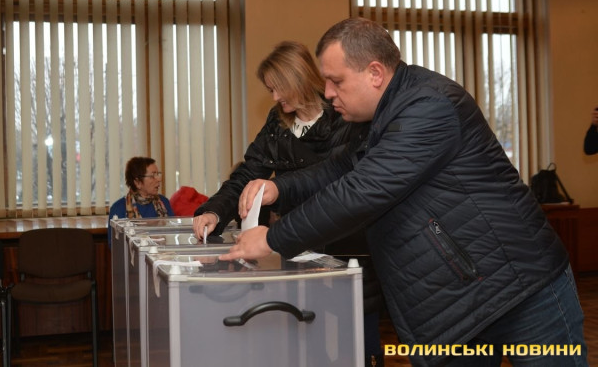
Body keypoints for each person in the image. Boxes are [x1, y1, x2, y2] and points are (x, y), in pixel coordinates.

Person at [222, 18, 588, 366]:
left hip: (520, 289)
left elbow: (363, 189)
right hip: (456, 299)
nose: (328, 93)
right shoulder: (377, 117)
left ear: (375, 73)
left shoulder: (429, 106)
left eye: (336, 81)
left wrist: (274, 239)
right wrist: (278, 188)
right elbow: (339, 168)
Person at [192, 40, 385, 366]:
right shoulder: (277, 123)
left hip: (347, 250)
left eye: (277, 88)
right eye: (270, 90)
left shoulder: (345, 117)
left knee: (356, 344)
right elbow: (247, 173)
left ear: (298, 78)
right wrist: (213, 210)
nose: (275, 97)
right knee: (305, 340)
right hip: (297, 249)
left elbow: (343, 184)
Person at [107, 156, 174, 247]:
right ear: (137, 182)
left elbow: (173, 235)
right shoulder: (118, 208)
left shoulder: (164, 202)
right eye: (152, 176)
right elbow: (115, 246)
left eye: (158, 174)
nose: (159, 179)